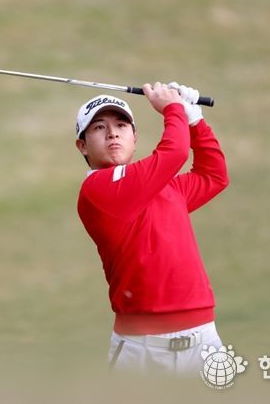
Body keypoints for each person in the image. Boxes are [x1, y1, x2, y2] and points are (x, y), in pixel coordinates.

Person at [74, 81, 230, 377]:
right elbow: (174, 153)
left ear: (134, 138)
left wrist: (195, 119)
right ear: (82, 146)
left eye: (121, 125)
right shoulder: (96, 190)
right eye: (99, 127)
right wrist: (173, 109)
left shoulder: (166, 187)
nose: (112, 133)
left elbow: (214, 175)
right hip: (141, 350)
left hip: (205, 341)